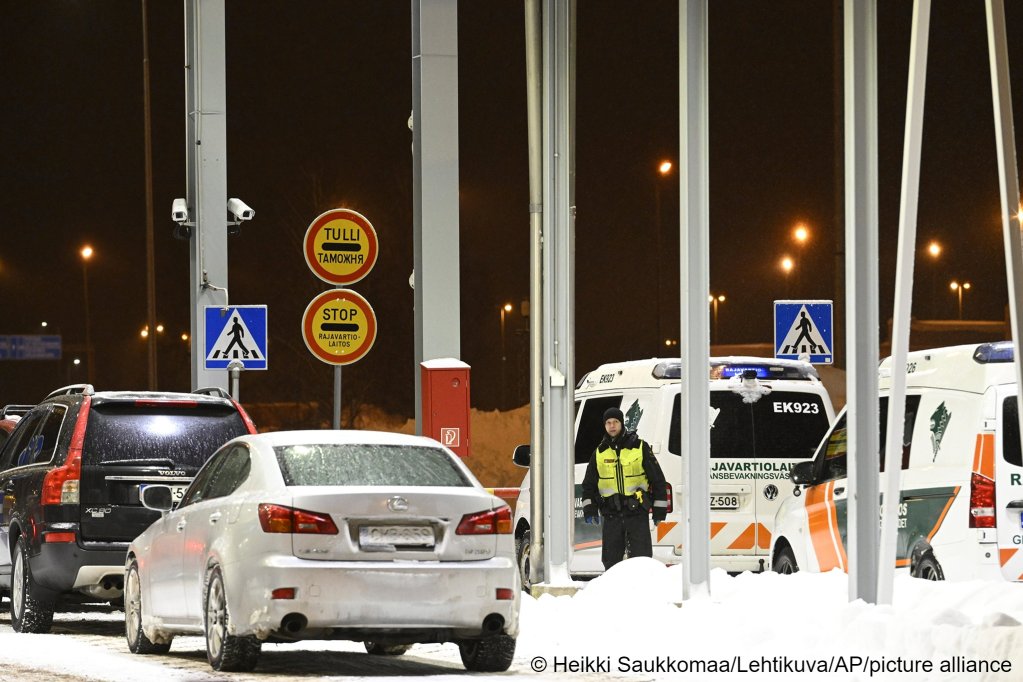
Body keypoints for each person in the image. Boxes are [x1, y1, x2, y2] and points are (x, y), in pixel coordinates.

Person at [580, 407, 669, 570]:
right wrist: (590, 509)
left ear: (622, 423)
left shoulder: (639, 447)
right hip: (611, 515)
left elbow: (658, 480)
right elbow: (589, 485)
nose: (612, 426)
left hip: (636, 513)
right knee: (611, 563)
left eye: (615, 422)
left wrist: (659, 511)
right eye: (608, 423)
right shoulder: (599, 453)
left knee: (642, 561)